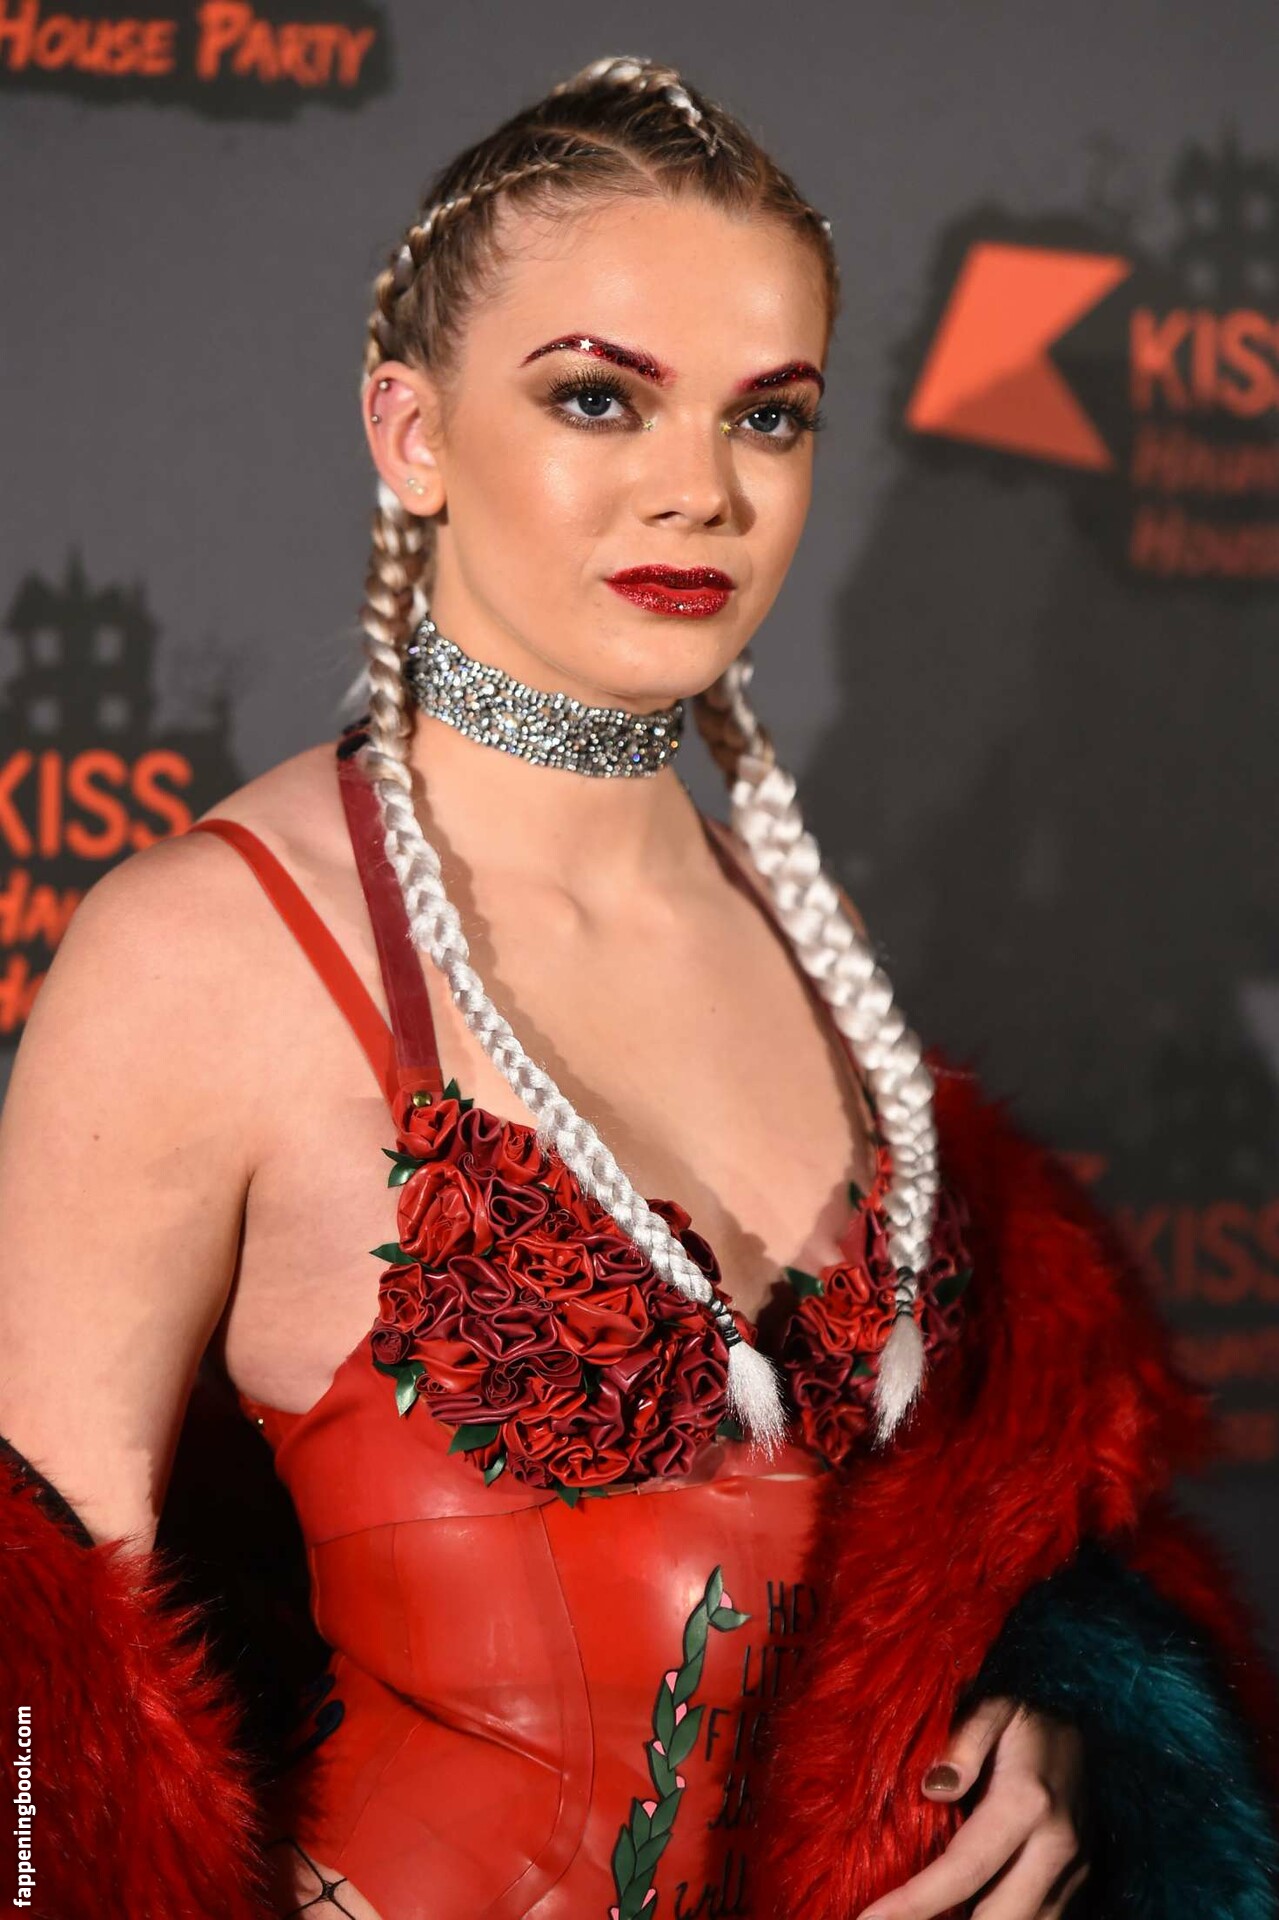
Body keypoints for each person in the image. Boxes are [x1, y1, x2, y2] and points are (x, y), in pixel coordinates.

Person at [0, 50, 1276, 1920]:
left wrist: (1076, 1706)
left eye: (770, 417)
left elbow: (970, 1539)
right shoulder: (201, 956)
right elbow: (35, 1734)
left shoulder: (810, 942)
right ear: (411, 433)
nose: (700, 490)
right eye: (600, 397)